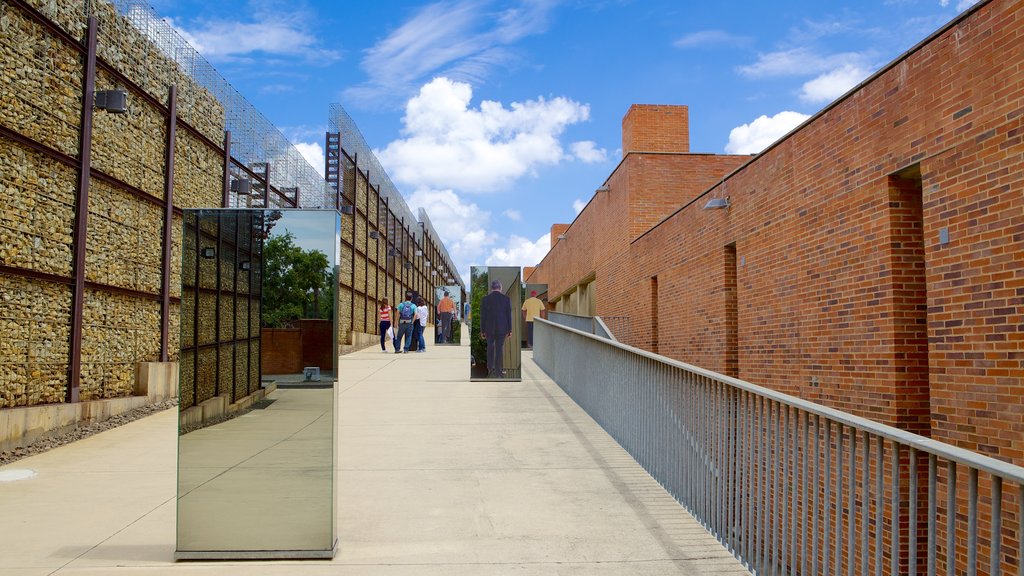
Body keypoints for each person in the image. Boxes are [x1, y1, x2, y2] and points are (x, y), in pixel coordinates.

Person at [480, 279, 512, 378]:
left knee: (490, 347)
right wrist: (510, 330)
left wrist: (482, 330)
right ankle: (498, 372)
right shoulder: (506, 299)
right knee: (499, 349)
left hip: (489, 328)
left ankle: (490, 369)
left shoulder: (485, 299)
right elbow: (508, 316)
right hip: (502, 328)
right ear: (500, 288)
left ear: (491, 288)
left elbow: (483, 316)